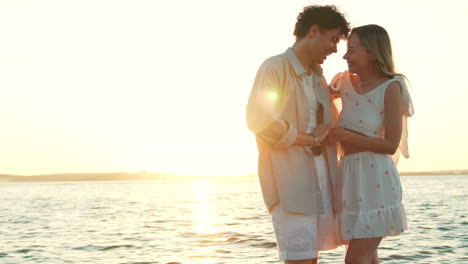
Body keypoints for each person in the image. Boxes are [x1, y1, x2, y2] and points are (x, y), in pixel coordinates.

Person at [246, 5, 349, 264]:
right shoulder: (274, 68)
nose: (335, 49)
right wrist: (311, 138)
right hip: (289, 182)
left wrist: (339, 90)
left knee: (311, 260)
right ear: (314, 31)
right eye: (333, 39)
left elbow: (322, 118)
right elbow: (261, 120)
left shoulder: (317, 76)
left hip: (321, 180)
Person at [329, 24, 414, 264]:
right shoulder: (343, 82)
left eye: (352, 50)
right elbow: (316, 100)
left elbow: (390, 144)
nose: (345, 56)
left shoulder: (391, 87)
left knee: (355, 259)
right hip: (349, 178)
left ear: (373, 53)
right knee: (367, 256)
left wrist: (343, 135)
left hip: (375, 177)